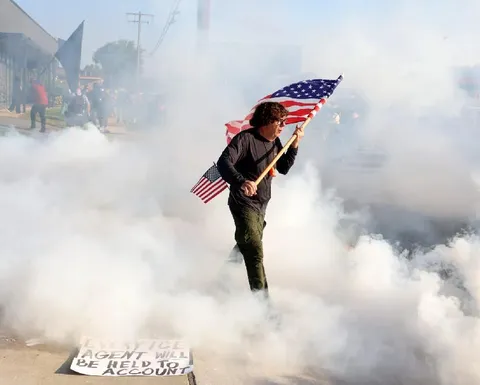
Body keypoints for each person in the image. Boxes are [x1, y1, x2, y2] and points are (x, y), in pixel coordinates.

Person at [216, 101, 304, 299]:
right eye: (280, 122)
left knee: (246, 242)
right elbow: (224, 163)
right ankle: (262, 305)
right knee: (255, 250)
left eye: (285, 122)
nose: (283, 126)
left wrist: (295, 144)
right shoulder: (246, 139)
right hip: (242, 202)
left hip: (262, 204)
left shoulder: (274, 142)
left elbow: (283, 167)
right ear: (266, 121)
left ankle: (223, 279)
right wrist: (241, 181)